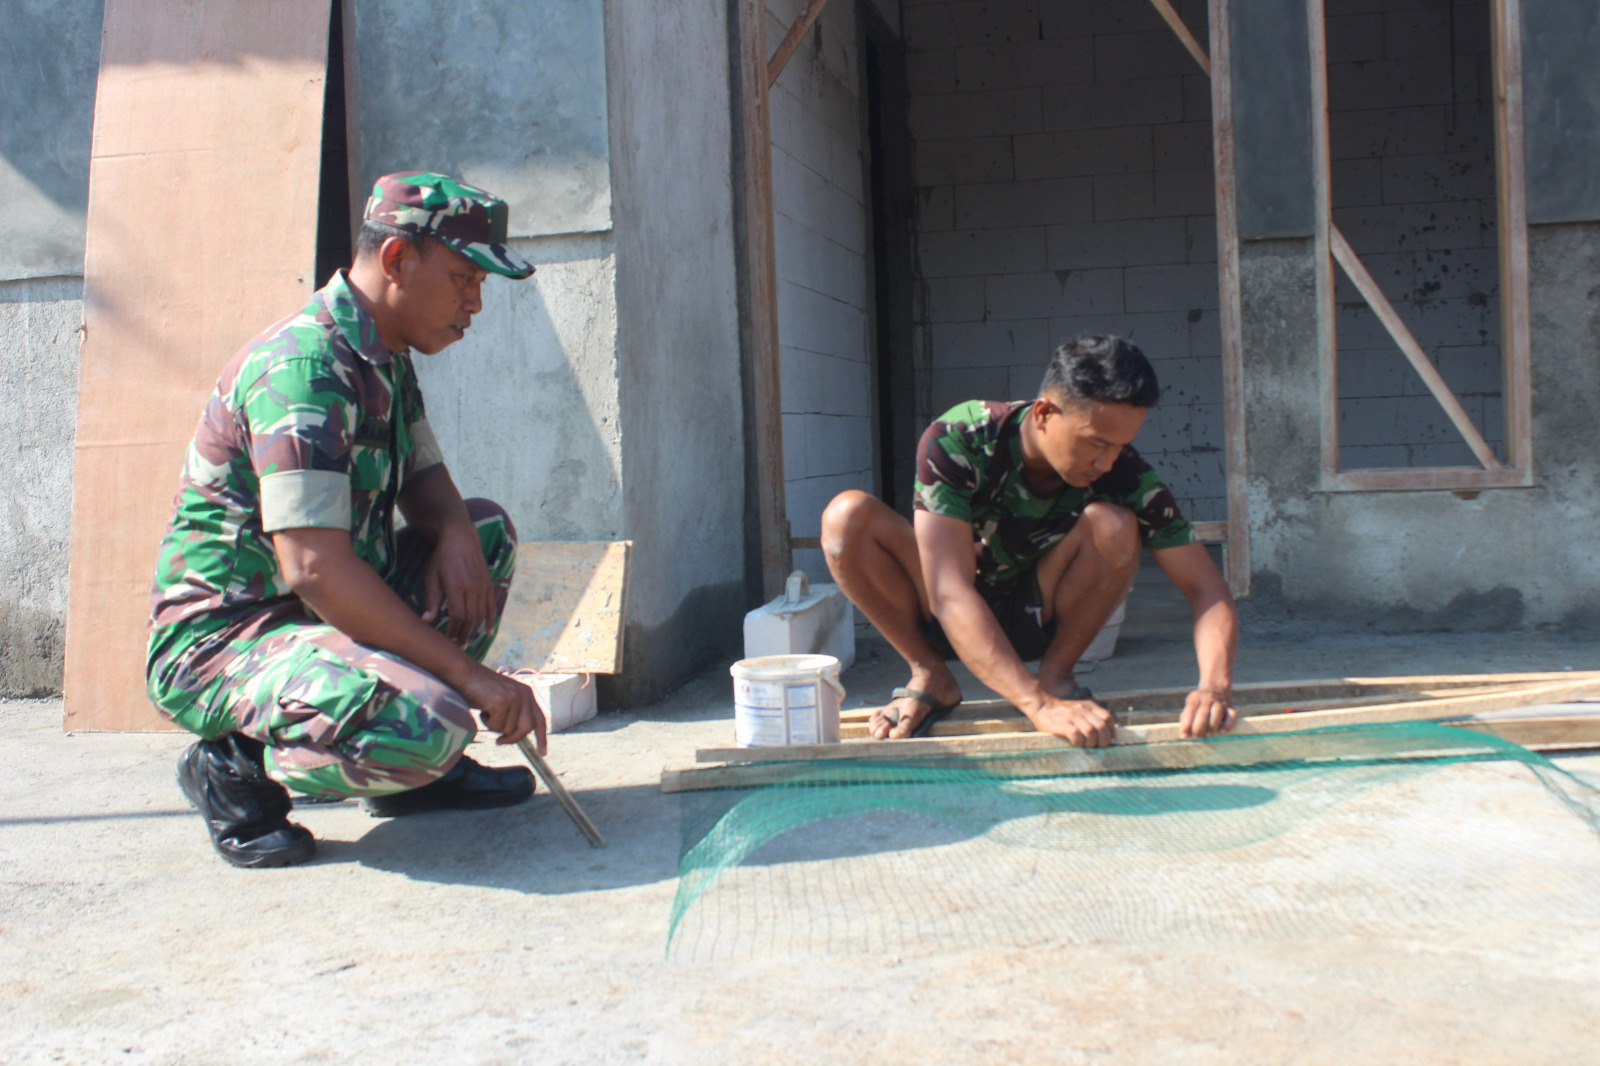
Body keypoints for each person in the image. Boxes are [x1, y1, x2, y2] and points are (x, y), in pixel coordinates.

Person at [146, 172, 549, 868]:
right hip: (230, 638)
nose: (475, 303)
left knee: (484, 535)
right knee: (431, 723)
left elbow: (425, 480)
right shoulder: (302, 369)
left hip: (316, 615)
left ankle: (414, 780)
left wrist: (455, 531)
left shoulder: (383, 357)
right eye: (463, 279)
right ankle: (236, 766)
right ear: (396, 259)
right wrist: (472, 680)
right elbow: (314, 568)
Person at [821, 334, 1239, 747]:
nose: (1106, 462)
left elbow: (1206, 588)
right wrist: (1036, 706)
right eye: (1095, 442)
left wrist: (1214, 689)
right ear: (1043, 413)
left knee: (1115, 525)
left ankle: (1057, 677)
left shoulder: (1124, 472)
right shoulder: (961, 437)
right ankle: (930, 675)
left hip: (1034, 614)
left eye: (1120, 446)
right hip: (944, 612)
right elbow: (948, 592)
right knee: (847, 517)